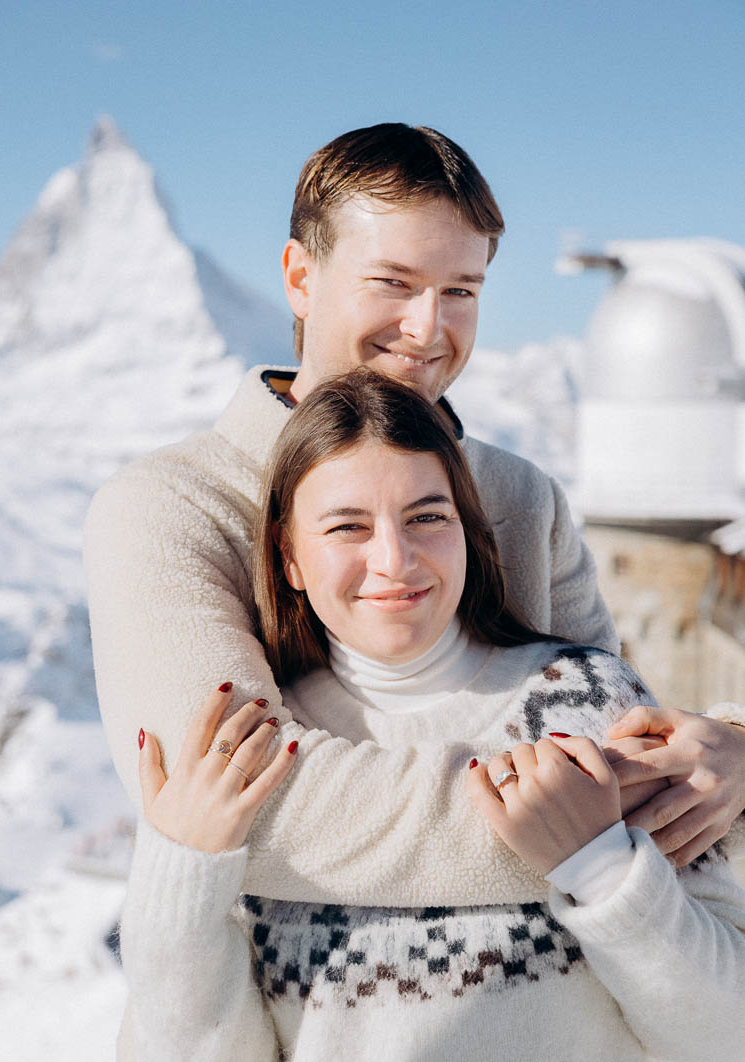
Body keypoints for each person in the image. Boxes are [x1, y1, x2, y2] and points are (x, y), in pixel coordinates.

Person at [84, 123, 745, 911]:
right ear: (300, 276)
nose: (429, 330)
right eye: (392, 283)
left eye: (460, 290)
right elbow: (254, 812)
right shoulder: (169, 507)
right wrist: (597, 827)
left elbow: (613, 727)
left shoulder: (521, 501)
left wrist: (727, 749)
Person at [118, 374, 745, 1062]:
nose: (395, 558)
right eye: (347, 526)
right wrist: (180, 877)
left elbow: (722, 1032)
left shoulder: (594, 702)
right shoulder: (259, 759)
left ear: (468, 530)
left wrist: (602, 868)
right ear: (290, 558)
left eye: (426, 517)